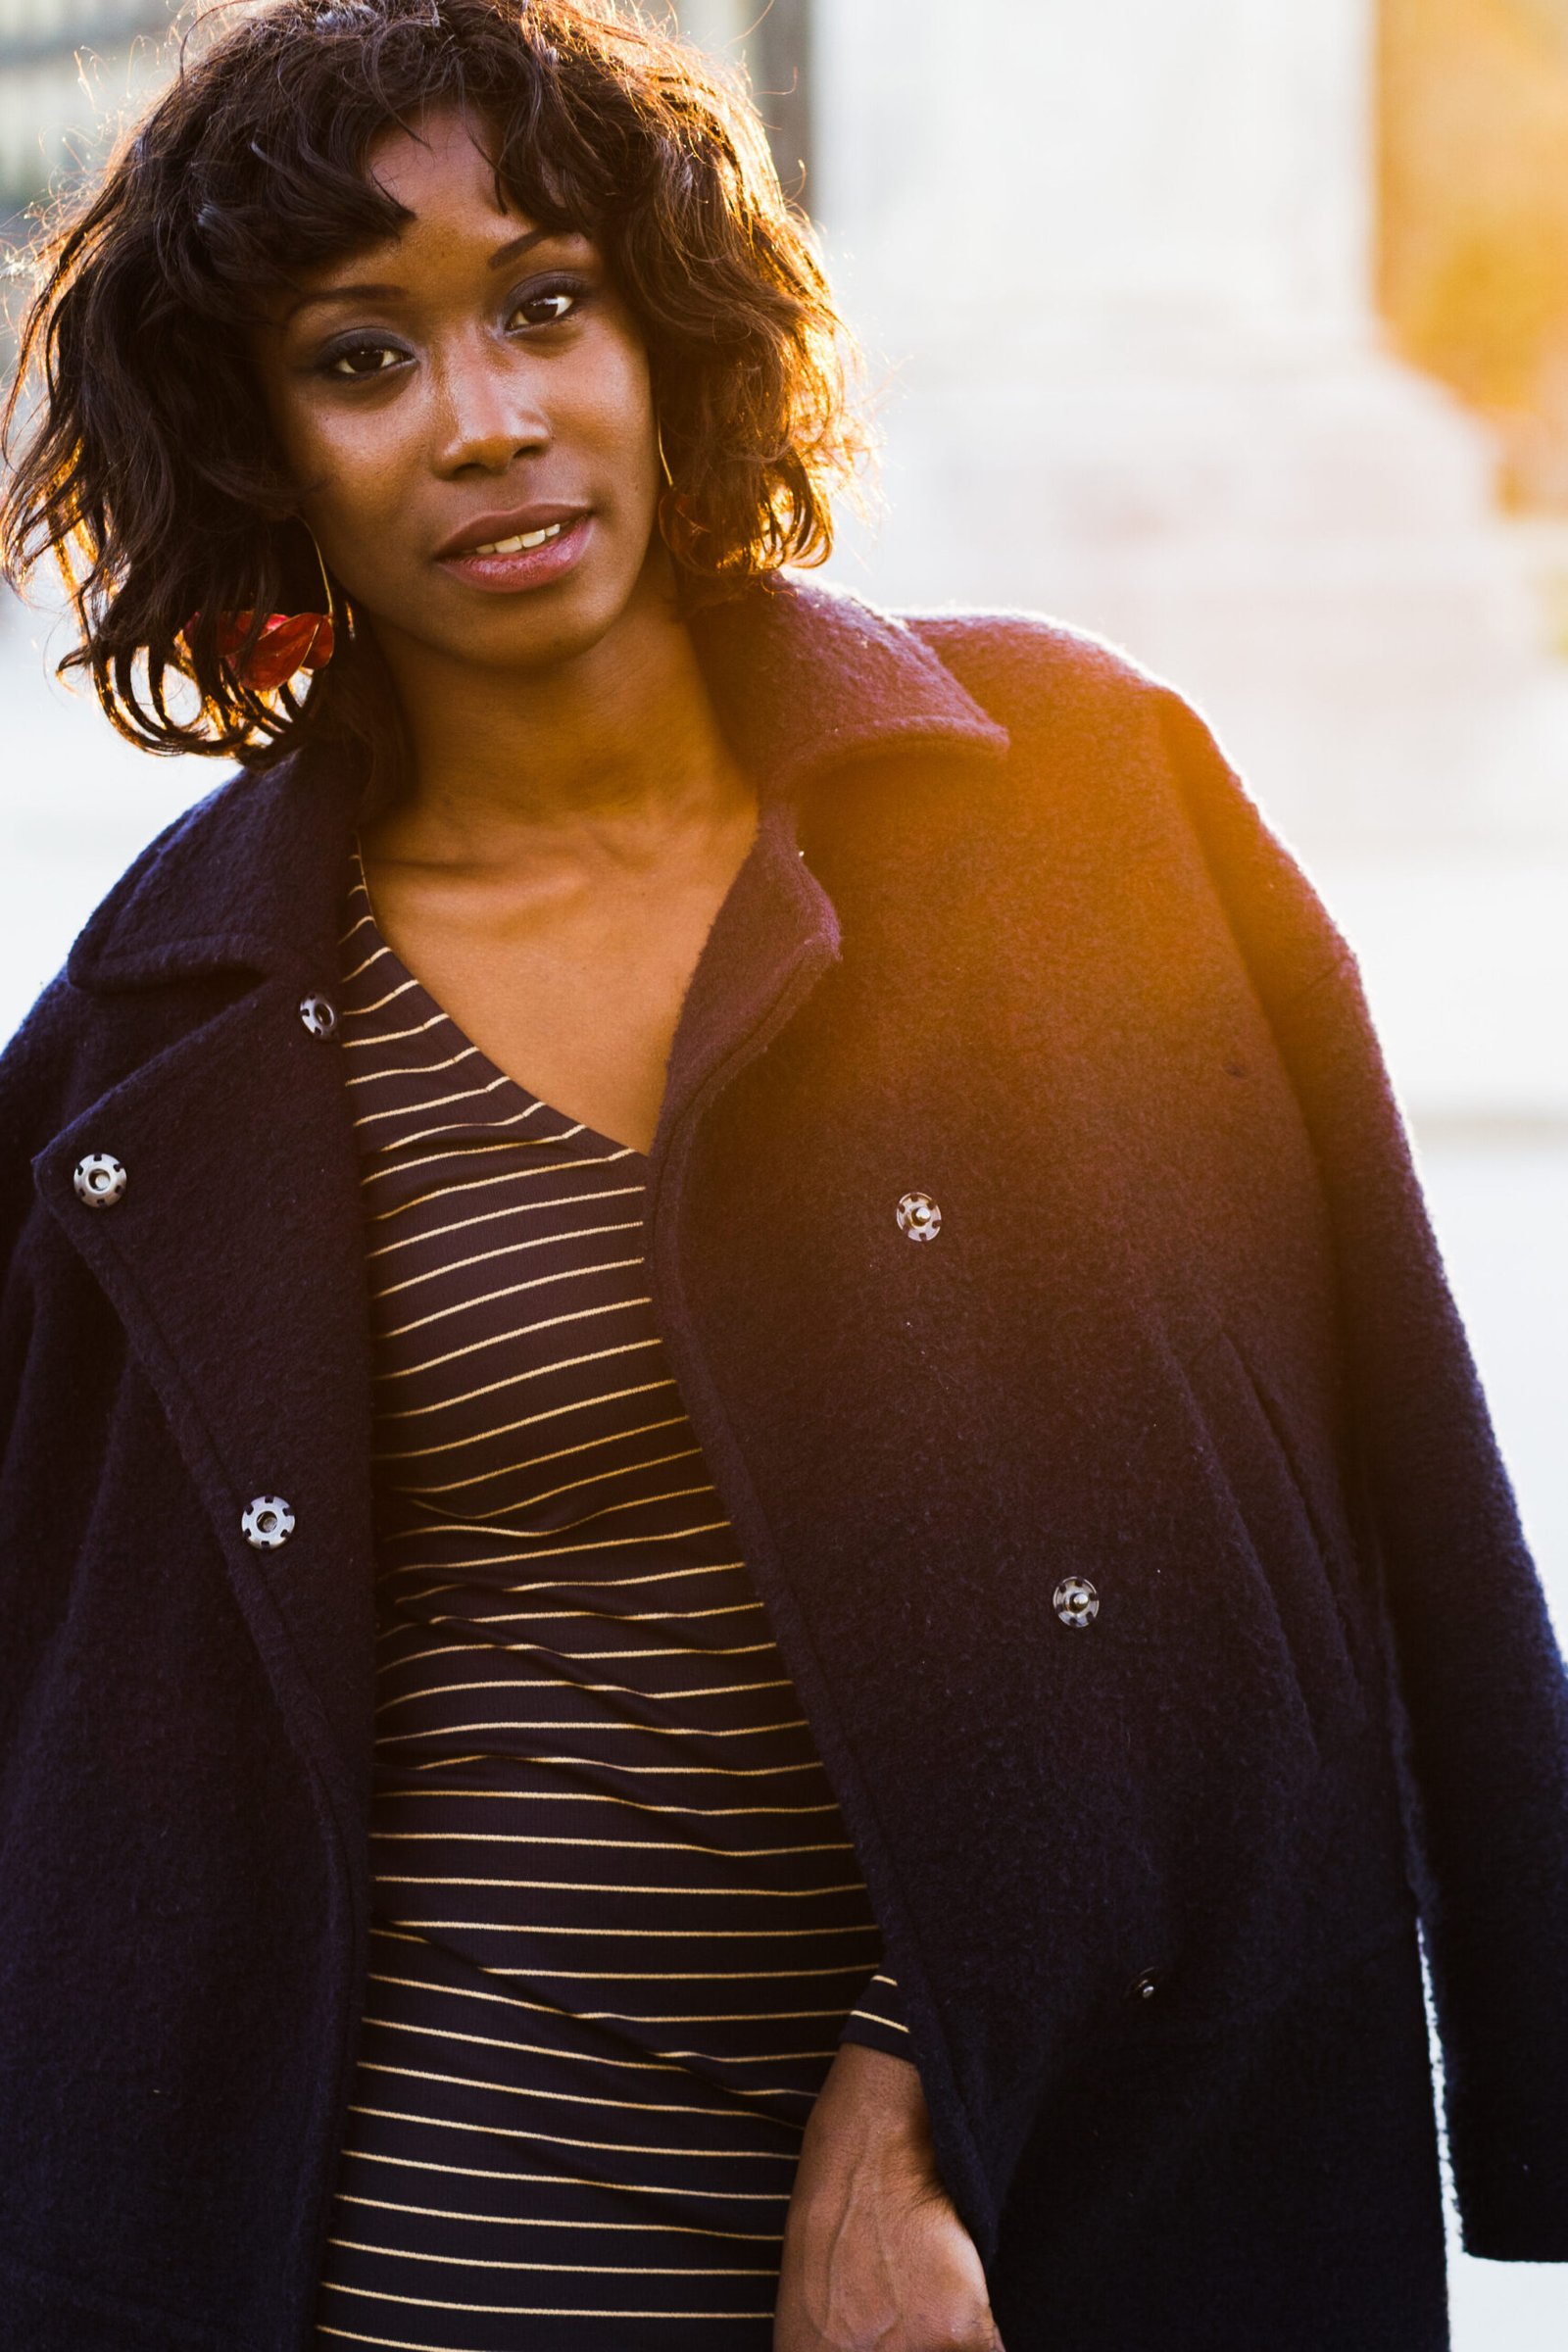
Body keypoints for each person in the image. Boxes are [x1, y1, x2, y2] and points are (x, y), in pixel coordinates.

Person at [2, 2, 1566, 2346]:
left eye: (545, 303)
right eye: (361, 357)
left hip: (1044, 2212)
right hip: (396, 2259)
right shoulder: (165, 1021)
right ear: (259, 443)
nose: (487, 416)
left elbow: (1305, 1517)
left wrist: (932, 2061)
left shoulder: (1053, 795)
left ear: (666, 327)